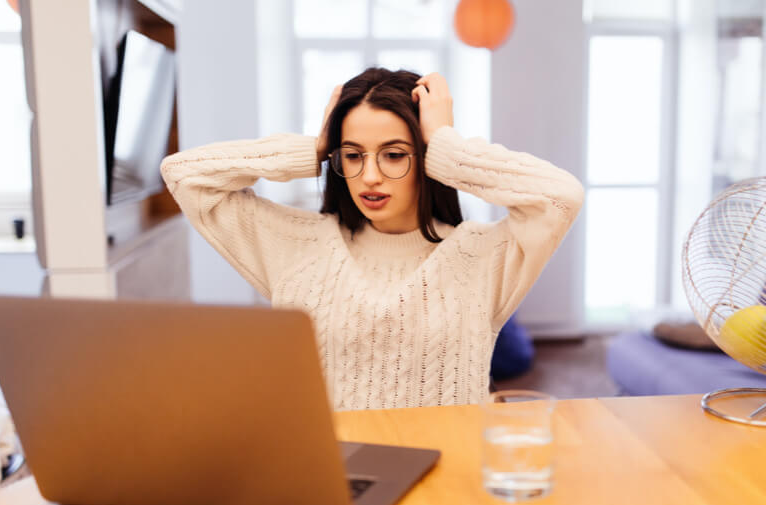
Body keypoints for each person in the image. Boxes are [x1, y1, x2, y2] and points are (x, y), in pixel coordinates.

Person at [160, 68, 583, 410]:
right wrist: (313, 148)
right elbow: (184, 175)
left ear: (426, 159)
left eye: (395, 154)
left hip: (448, 482)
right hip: (336, 481)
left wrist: (446, 146)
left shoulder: (482, 256)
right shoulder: (295, 246)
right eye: (353, 154)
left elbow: (560, 197)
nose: (371, 176)